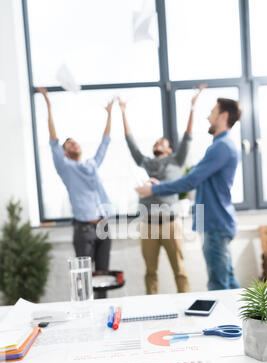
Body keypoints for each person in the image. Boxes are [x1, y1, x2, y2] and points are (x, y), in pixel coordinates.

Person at [136, 95, 242, 291]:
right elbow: (194, 178)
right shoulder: (220, 146)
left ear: (223, 115)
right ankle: (248, 319)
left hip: (215, 223)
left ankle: (232, 322)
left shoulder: (221, 147)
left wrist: (153, 189)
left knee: (218, 284)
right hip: (214, 222)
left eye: (212, 112)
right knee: (228, 280)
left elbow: (191, 180)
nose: (209, 117)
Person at [118, 86, 206, 295]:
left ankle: (188, 304)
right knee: (150, 272)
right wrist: (123, 112)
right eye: (156, 142)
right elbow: (131, 145)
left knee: (180, 270)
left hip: (171, 223)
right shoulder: (146, 163)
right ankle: (151, 308)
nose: (157, 143)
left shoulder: (177, 160)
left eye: (162, 142)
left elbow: (188, 137)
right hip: (148, 225)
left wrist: (193, 107)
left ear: (169, 149)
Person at [38, 87, 114, 281]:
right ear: (64, 152)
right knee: (84, 279)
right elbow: (53, 141)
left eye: (75, 142)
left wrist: (109, 114)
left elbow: (104, 143)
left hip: (103, 225)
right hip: (84, 230)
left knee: (103, 277)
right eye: (69, 144)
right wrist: (48, 105)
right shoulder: (65, 167)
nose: (74, 144)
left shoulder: (92, 165)